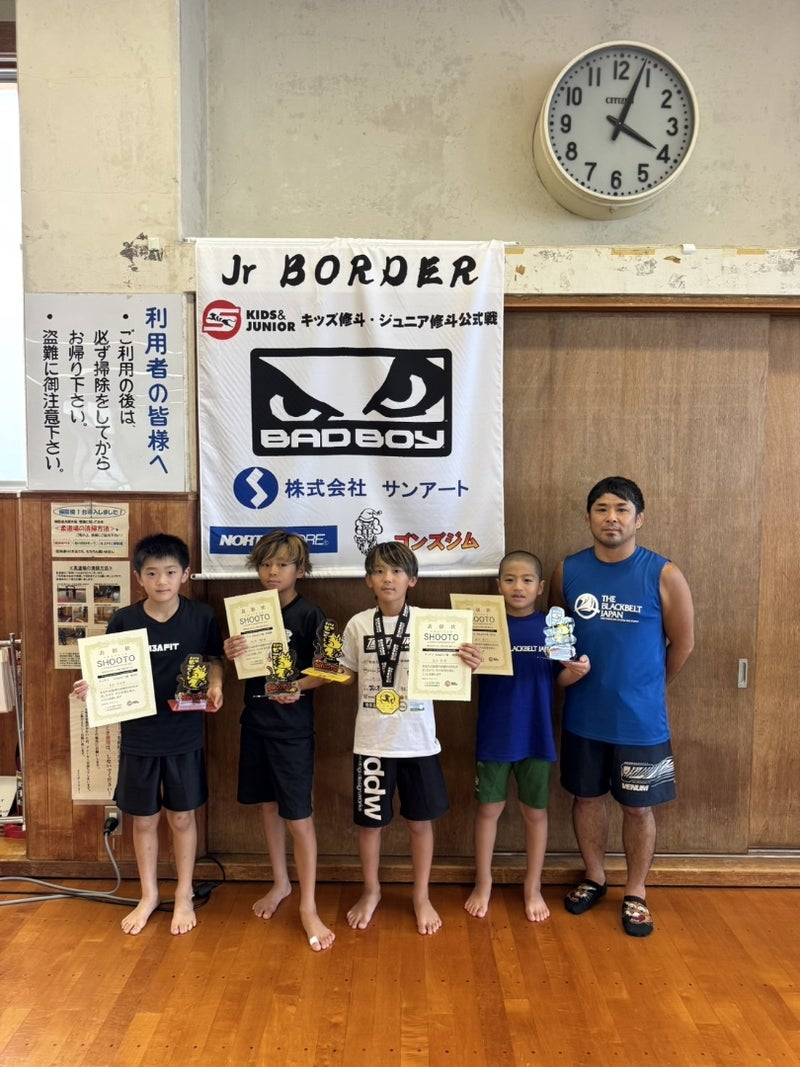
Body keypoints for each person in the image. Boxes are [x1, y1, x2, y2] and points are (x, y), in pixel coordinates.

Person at [549, 476, 694, 938]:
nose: (611, 518)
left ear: (639, 519)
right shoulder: (567, 571)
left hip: (640, 721)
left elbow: (683, 644)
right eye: (602, 509)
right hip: (583, 714)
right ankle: (594, 877)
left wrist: (649, 688)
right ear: (588, 517)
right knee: (586, 799)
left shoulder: (663, 573)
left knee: (637, 808)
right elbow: (557, 638)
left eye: (622, 509)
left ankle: (636, 890)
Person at [73, 533, 224, 936]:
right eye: (152, 573)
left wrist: (216, 685)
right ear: (138, 577)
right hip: (139, 734)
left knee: (182, 817)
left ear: (185, 574)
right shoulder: (124, 620)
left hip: (184, 733)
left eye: (170, 572)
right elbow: (106, 673)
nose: (162, 581)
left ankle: (185, 893)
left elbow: (214, 660)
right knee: (142, 820)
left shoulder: (202, 616)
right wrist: (92, 688)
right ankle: (149, 894)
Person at [339, 541, 482, 936]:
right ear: (368, 580)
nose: (388, 578)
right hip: (371, 742)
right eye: (379, 571)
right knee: (370, 826)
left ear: (412, 580)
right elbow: (344, 673)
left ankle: (421, 895)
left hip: (419, 742)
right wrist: (303, 679)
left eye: (397, 571)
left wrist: (470, 662)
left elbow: (454, 670)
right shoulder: (358, 624)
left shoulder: (431, 623)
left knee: (420, 824)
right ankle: (371, 891)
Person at [223, 530, 335, 952]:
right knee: (267, 807)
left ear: (300, 571)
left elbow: (331, 669)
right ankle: (280, 883)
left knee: (298, 816)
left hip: (292, 731)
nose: (273, 571)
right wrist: (230, 650)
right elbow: (235, 663)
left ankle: (308, 905)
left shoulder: (312, 614)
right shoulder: (247, 612)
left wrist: (298, 687)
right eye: (266, 564)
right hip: (254, 721)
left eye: (283, 564)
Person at [464, 550, 590, 923]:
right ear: (498, 585)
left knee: (535, 813)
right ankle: (483, 882)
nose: (518, 587)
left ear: (540, 587)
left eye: (526, 580)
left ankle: (532, 886)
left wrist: (575, 672)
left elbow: (559, 678)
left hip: (537, 736)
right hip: (494, 734)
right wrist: (465, 663)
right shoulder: (482, 627)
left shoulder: (553, 626)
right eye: (509, 579)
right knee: (488, 810)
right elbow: (457, 676)